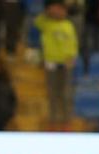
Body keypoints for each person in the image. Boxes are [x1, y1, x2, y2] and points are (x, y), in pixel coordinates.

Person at [36, 0, 77, 130]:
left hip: (66, 63)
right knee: (52, 93)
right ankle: (52, 121)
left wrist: (72, 57)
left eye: (62, 10)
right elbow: (37, 22)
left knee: (66, 93)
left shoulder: (69, 25)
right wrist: (47, 13)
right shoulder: (46, 23)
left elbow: (73, 43)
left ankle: (67, 122)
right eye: (57, 9)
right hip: (51, 62)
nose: (60, 12)